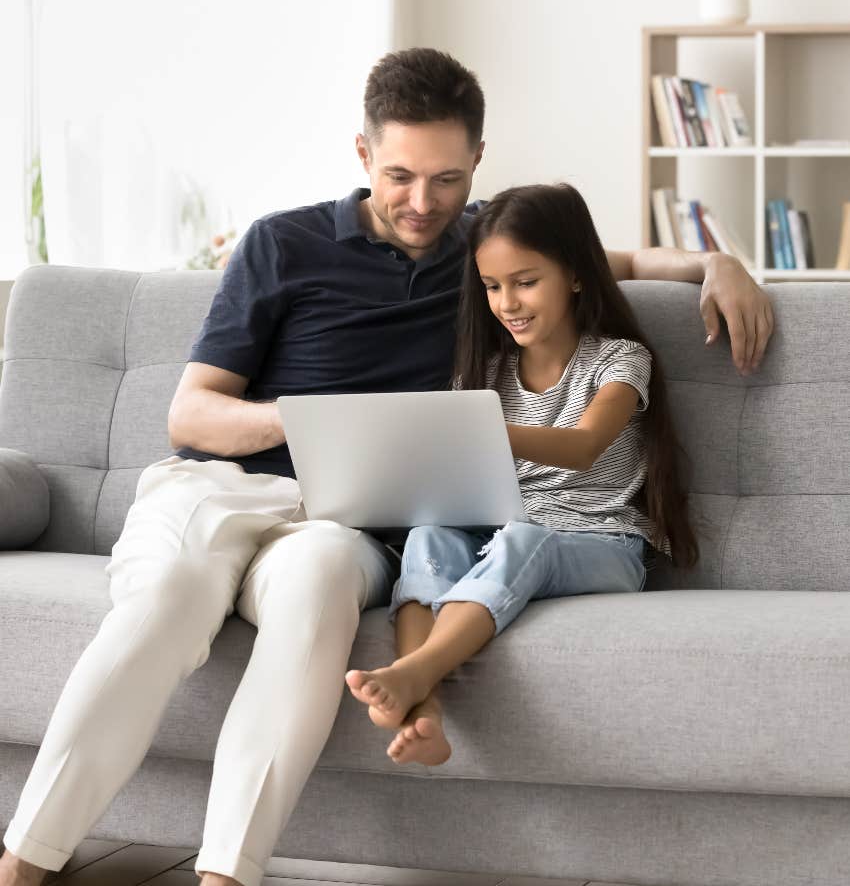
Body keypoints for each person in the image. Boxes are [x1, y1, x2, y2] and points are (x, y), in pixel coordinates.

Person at [0, 49, 774, 886]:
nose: (422, 202)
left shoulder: (485, 251)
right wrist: (315, 423)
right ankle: (27, 859)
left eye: (446, 179)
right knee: (173, 593)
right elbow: (191, 413)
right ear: (364, 154)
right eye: (401, 174)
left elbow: (601, 261)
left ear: (477, 161)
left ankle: (225, 874)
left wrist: (719, 263)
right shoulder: (282, 243)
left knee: (316, 601)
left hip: (349, 520)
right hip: (225, 489)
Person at [345, 180, 699, 765]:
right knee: (429, 535)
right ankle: (426, 711)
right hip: (503, 528)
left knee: (524, 538)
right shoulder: (486, 372)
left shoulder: (618, 359)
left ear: (576, 275)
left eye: (526, 282)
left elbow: (585, 445)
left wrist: (476, 428)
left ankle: (414, 673)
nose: (507, 302)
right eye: (492, 287)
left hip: (602, 540)